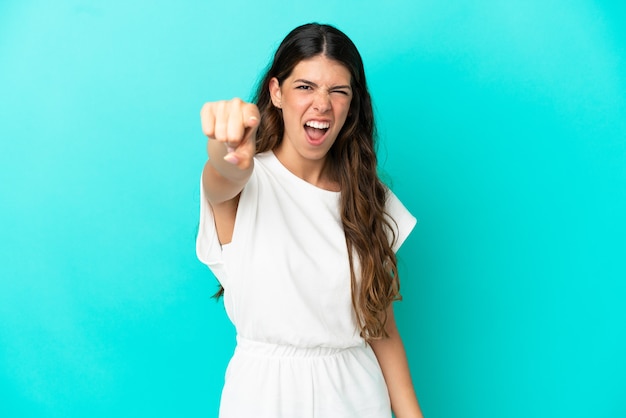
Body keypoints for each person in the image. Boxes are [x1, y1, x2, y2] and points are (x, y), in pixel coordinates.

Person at [197, 23, 424, 418]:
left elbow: (382, 330)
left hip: (358, 398)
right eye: (305, 87)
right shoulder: (248, 182)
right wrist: (225, 146)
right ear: (276, 92)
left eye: (338, 91)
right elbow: (222, 176)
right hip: (263, 399)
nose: (322, 104)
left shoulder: (371, 198)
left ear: (352, 105)